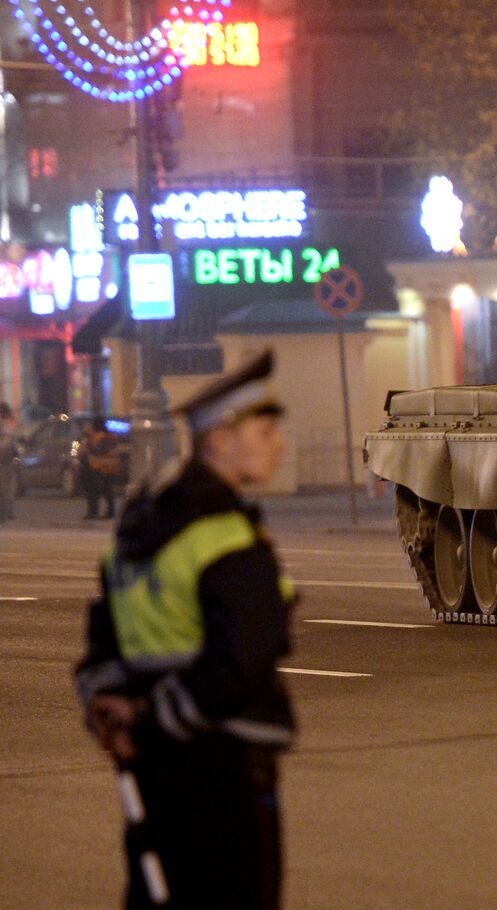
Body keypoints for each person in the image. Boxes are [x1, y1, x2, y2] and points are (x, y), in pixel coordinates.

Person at [74, 350, 296, 910]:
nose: (280, 444)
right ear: (220, 440)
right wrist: (151, 723)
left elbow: (106, 637)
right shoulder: (224, 537)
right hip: (224, 767)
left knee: (159, 898)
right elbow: (240, 661)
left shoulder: (141, 527)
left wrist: (111, 705)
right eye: (265, 430)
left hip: (151, 770)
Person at [82, 415, 122, 520]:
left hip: (98, 468)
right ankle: (110, 512)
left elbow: (97, 451)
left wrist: (88, 443)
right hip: (110, 467)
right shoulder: (110, 435)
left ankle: (94, 512)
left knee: (94, 491)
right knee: (107, 491)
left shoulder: (100, 437)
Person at [0, 402, 17, 521]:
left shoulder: (6, 426)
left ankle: (6, 514)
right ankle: (7, 513)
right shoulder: (8, 425)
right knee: (6, 488)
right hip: (6, 461)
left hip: (4, 461)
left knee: (5, 488)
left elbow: (6, 444)